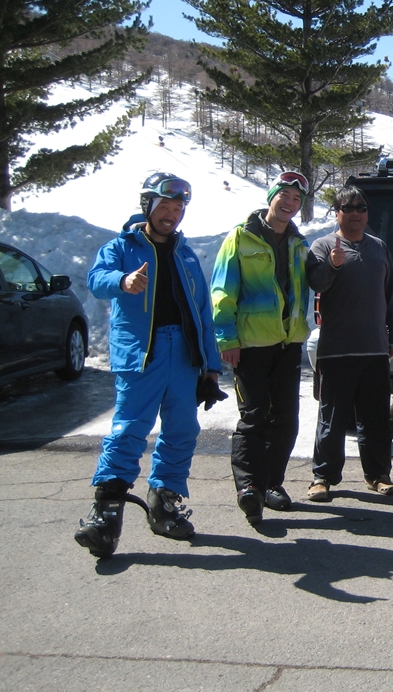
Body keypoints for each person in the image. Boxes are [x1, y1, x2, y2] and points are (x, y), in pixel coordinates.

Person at [75, 173, 222, 558]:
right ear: (148, 207)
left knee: (182, 429)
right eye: (164, 207)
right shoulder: (122, 247)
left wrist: (210, 365)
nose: (171, 214)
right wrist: (123, 281)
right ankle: (105, 515)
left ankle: (164, 504)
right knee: (129, 429)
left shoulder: (186, 255)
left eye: (177, 208)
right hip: (142, 353)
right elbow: (96, 279)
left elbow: (203, 313)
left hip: (183, 354)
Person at [211, 171, 311, 526]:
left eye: (297, 199)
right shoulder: (241, 237)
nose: (290, 203)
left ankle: (272, 483)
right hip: (251, 343)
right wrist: (226, 339)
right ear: (271, 197)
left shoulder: (299, 244)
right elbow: (222, 291)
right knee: (254, 415)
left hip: (287, 342)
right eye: (284, 196)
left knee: (286, 419)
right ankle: (249, 487)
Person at [306, 186, 393, 501]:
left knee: (376, 419)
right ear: (337, 213)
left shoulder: (379, 247)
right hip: (336, 350)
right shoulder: (322, 246)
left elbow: (390, 296)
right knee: (332, 419)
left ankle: (378, 475)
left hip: (375, 349)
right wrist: (333, 265)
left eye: (361, 208)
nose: (356, 213)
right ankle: (322, 477)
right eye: (348, 208)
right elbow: (316, 282)